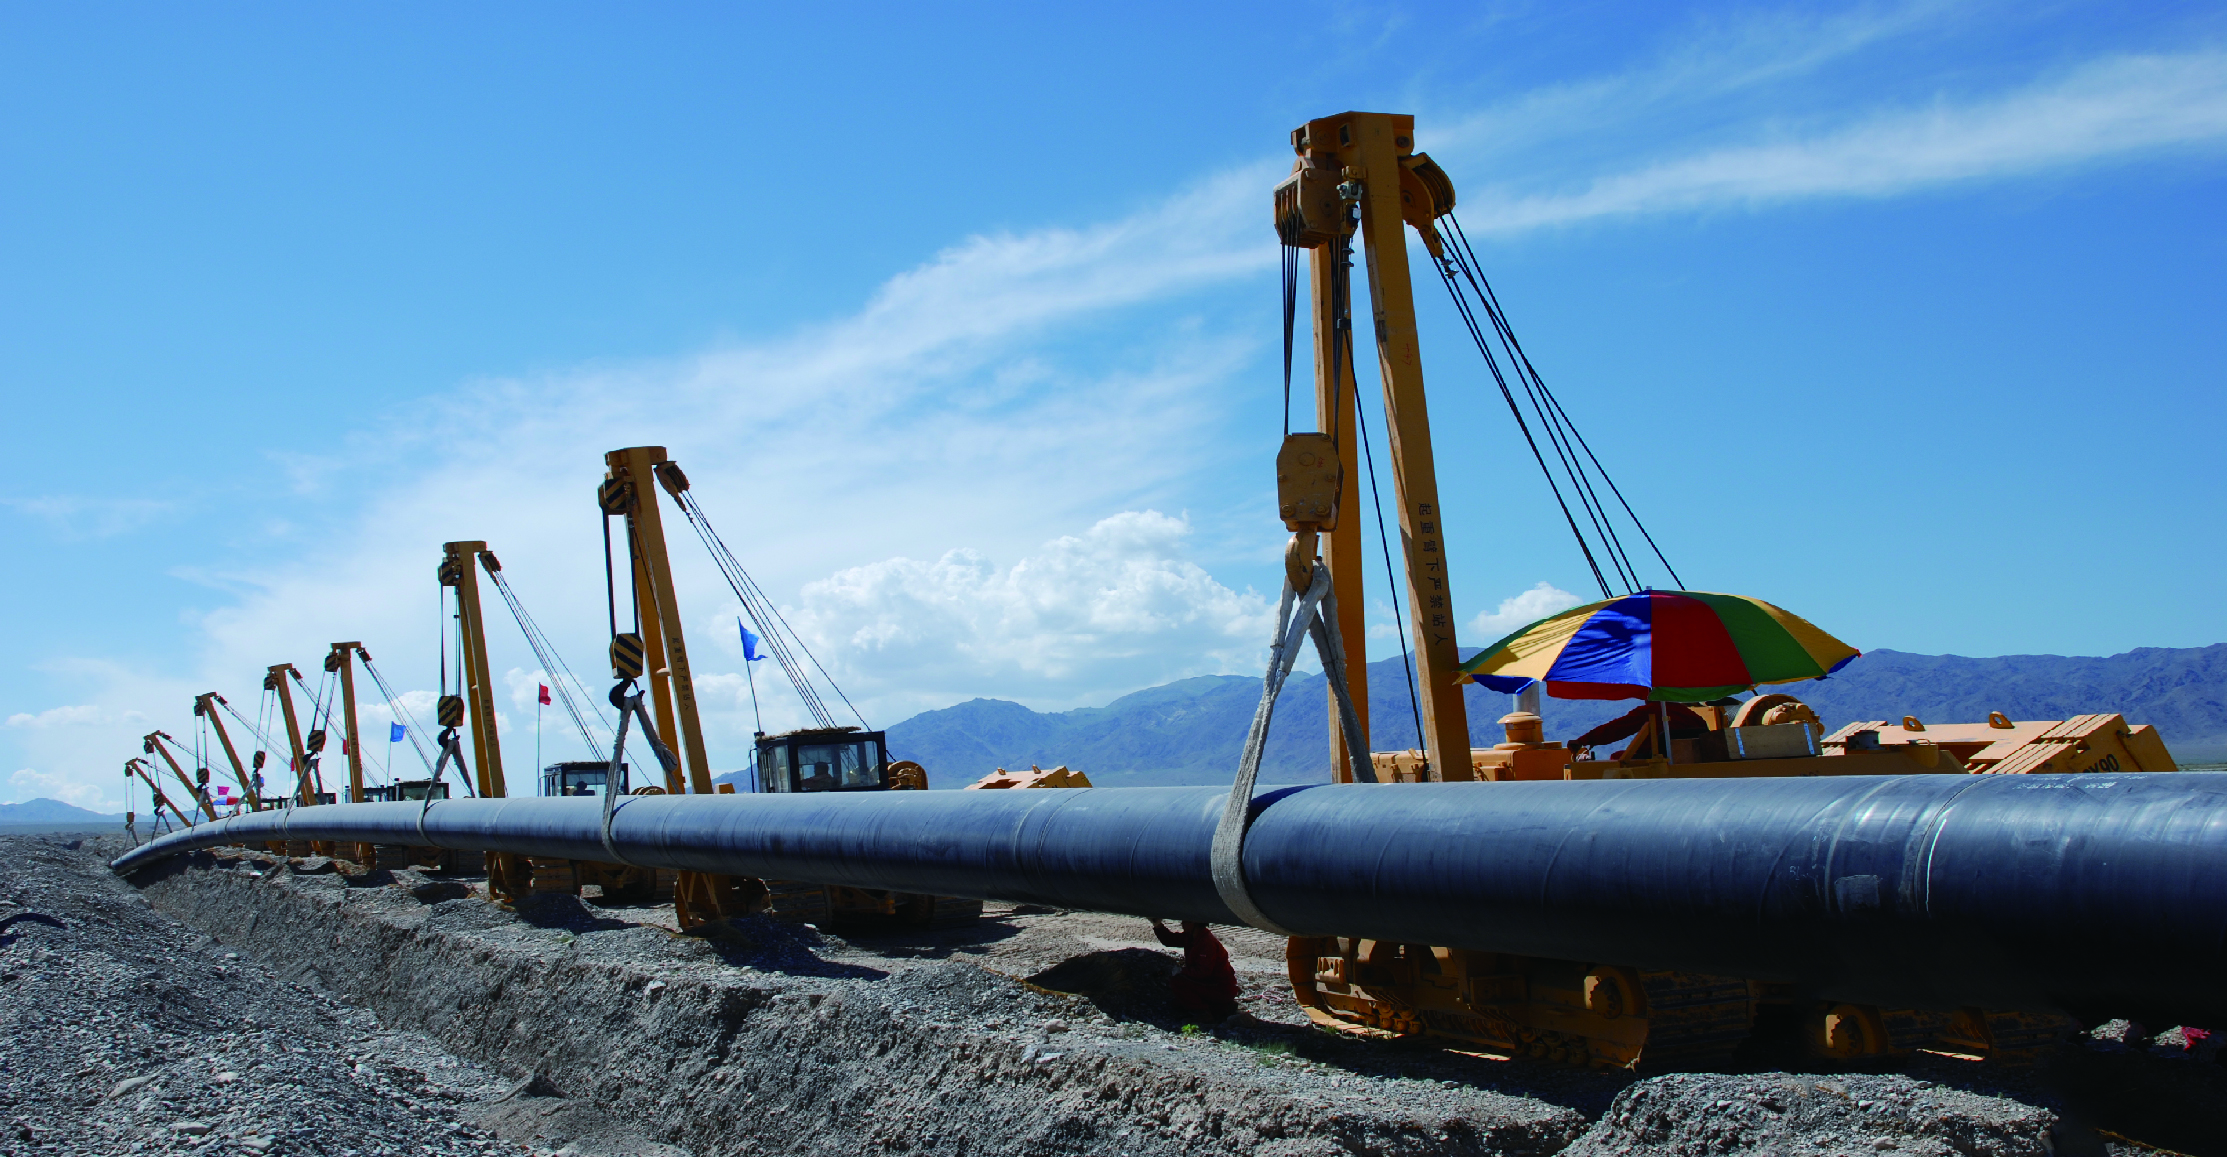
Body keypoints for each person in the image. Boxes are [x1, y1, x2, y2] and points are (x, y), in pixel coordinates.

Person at [1149, 918, 1239, 1023]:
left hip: (1220, 988)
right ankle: (1220, 1007)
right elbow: (1170, 940)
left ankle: (1202, 1013)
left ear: (1194, 923)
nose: (1182, 923)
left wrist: (1181, 971)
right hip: (1212, 984)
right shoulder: (1192, 937)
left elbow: (1203, 972)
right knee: (1178, 1003)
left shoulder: (1207, 943)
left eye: (1185, 921)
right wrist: (1158, 925)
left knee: (1178, 982)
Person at [1572, 702, 1707, 760]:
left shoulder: (1650, 711)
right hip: (1692, 761)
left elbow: (1618, 728)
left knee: (1617, 758)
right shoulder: (1692, 715)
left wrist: (1584, 740)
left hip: (1654, 762)